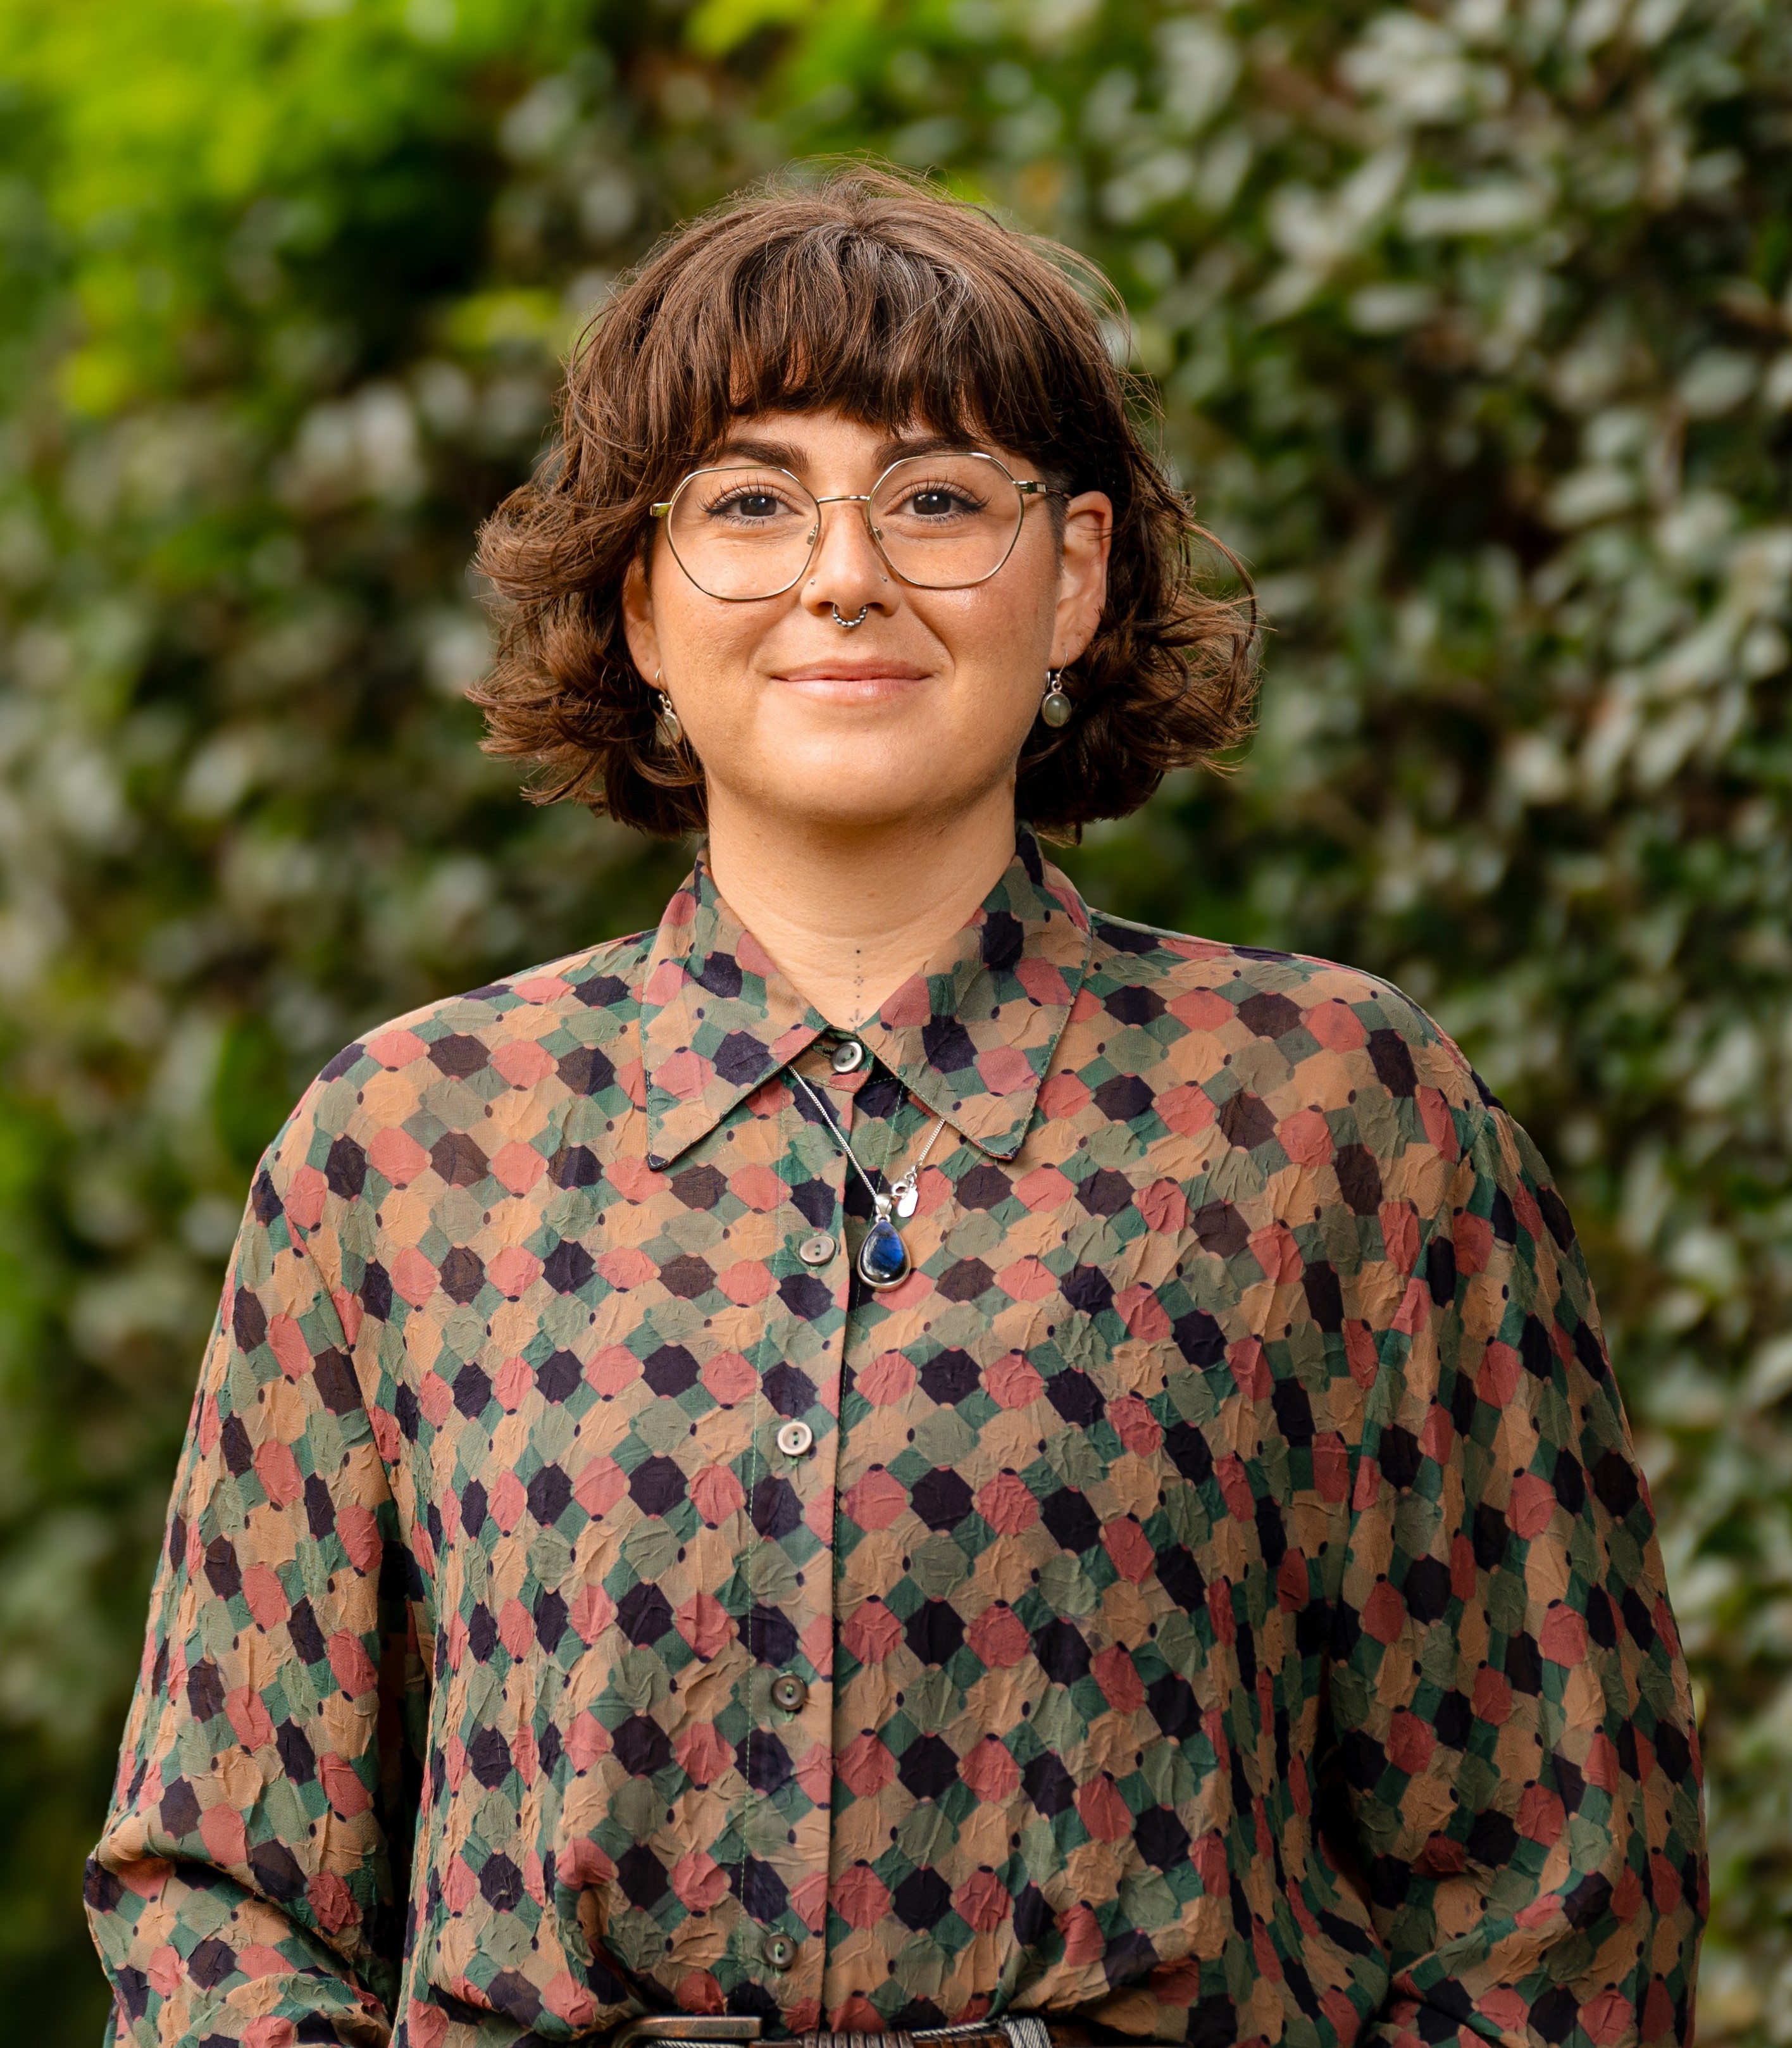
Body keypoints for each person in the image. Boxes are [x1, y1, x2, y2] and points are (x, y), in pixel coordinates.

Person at [85, 168, 1704, 2048]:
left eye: (937, 498)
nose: (843, 571)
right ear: (639, 603)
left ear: (1077, 576)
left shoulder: (1330, 1121)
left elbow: (1566, 1890)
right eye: (752, 502)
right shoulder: (408, 1149)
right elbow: (221, 1883)